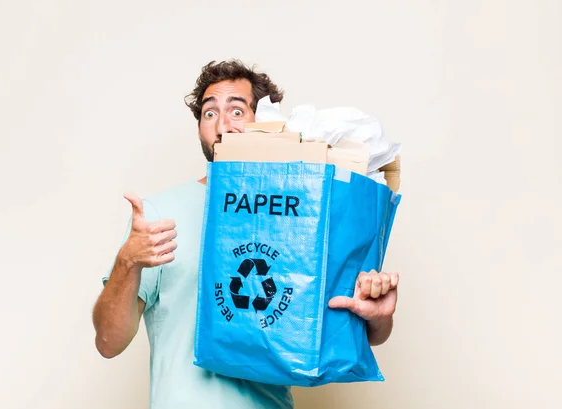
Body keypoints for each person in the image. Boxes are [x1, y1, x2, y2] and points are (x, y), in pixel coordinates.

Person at [92, 60, 399, 409]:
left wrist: (378, 318)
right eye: (209, 113)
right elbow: (108, 342)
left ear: (265, 123)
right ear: (199, 130)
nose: (223, 124)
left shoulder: (297, 213)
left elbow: (342, 325)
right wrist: (126, 262)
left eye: (237, 110)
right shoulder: (159, 216)